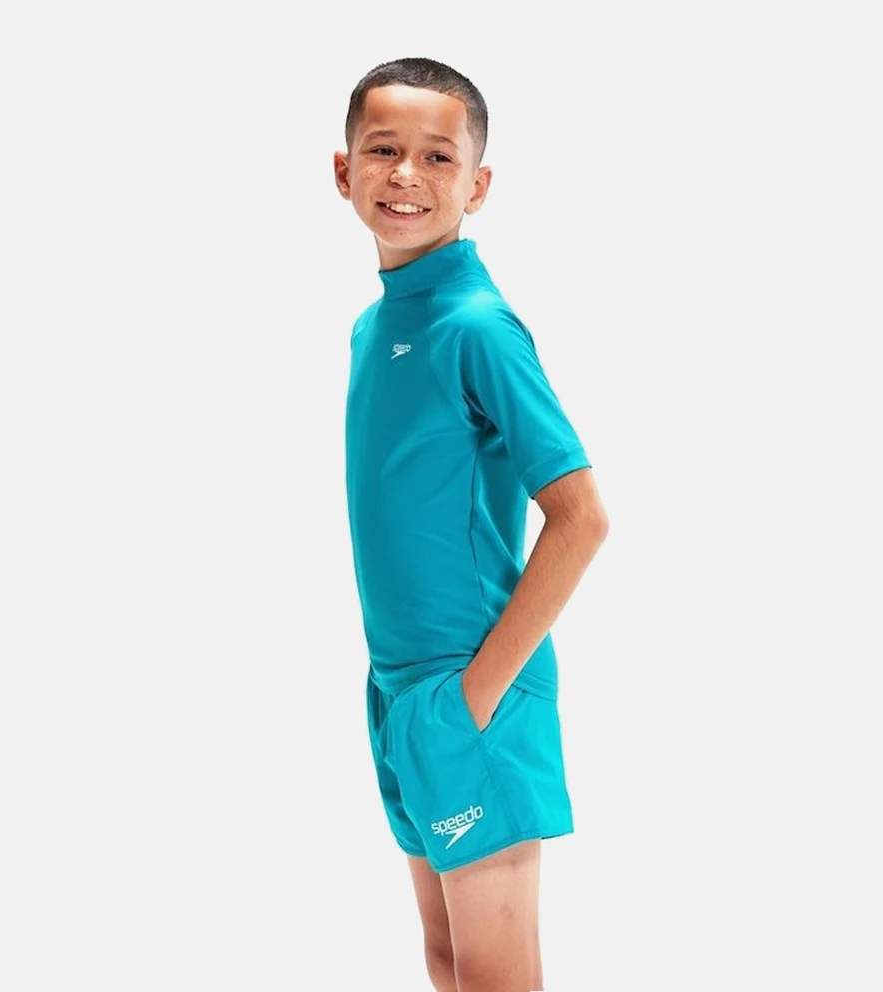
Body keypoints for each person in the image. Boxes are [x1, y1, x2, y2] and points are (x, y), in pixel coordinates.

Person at [333, 57, 610, 992]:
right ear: (344, 171)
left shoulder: (477, 326)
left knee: (494, 978)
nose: (407, 174)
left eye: (438, 156)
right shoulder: (376, 327)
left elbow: (581, 517)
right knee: (449, 961)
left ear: (477, 185)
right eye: (384, 150)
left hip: (469, 688)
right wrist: (422, 701)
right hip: (400, 688)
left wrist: (474, 696)